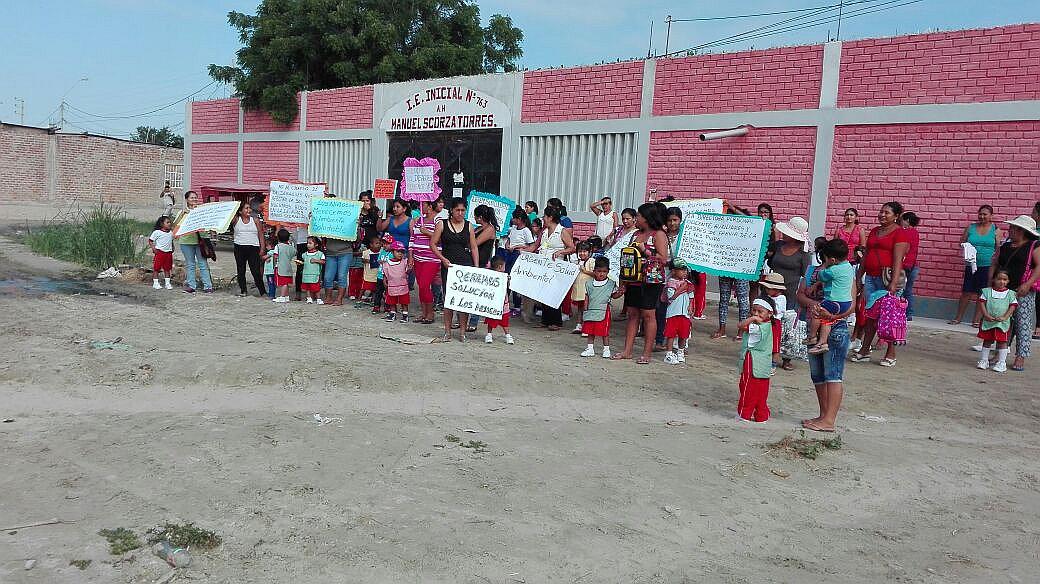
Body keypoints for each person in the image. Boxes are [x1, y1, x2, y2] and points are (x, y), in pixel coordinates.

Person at [850, 201, 910, 367]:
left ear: (896, 216)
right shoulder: (875, 231)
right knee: (870, 315)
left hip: (888, 278)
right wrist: (859, 276)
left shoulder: (900, 234)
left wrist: (893, 283)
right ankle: (865, 349)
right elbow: (866, 254)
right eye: (881, 212)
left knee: (888, 316)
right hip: (871, 277)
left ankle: (891, 352)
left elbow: (898, 260)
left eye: (887, 213)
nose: (882, 215)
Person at [613, 203, 669, 364]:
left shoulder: (658, 234)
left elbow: (663, 258)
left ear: (647, 218)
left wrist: (646, 251)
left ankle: (646, 353)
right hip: (633, 280)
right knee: (632, 314)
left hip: (651, 281)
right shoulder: (635, 234)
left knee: (648, 315)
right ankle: (627, 351)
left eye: (639, 216)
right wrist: (622, 283)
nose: (636, 218)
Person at [992, 214, 1040, 372]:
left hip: (1022, 291)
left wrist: (1028, 283)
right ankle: (1001, 353)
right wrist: (990, 282)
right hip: (1004, 290)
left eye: (1013, 228)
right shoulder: (1006, 245)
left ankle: (1021, 356)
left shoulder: (1034, 246)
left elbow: (1039, 266)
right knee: (1004, 323)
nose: (1010, 230)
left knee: (1022, 323)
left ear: (1021, 231)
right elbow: (995, 263)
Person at [802, 294, 855, 433]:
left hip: (836, 327)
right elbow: (800, 295)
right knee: (817, 375)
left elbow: (851, 306)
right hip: (814, 328)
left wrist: (832, 315)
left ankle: (829, 420)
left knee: (833, 375)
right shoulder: (814, 272)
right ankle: (823, 415)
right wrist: (815, 305)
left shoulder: (846, 276)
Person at [431, 197, 479, 341]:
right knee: (448, 299)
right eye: (457, 210)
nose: (460, 213)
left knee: (463, 300)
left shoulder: (469, 226)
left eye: (463, 210)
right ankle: (447, 331)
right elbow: (433, 244)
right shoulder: (442, 224)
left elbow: (474, 246)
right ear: (451, 210)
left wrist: (476, 267)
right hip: (448, 265)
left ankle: (463, 332)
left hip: (465, 265)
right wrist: (442, 259)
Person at [950, 205, 1002, 326]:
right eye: (980, 214)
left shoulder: (996, 230)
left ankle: (976, 320)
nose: (982, 216)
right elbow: (961, 242)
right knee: (966, 292)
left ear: (991, 216)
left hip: (987, 265)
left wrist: (996, 263)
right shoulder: (971, 227)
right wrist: (967, 247)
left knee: (982, 293)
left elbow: (998, 248)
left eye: (985, 214)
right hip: (971, 265)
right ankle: (958, 318)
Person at [807, 239, 855, 355]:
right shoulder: (848, 266)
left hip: (834, 300)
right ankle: (822, 343)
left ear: (832, 260)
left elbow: (821, 275)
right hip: (845, 303)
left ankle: (813, 337)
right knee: (826, 320)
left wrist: (824, 268)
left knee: (817, 312)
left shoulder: (832, 270)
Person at [537, 207, 576, 331]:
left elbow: (572, 247)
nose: (543, 219)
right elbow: (537, 245)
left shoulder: (562, 231)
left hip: (556, 267)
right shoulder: (544, 232)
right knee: (543, 292)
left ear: (550, 218)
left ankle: (556, 321)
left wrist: (561, 251)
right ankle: (546, 319)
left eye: (545, 216)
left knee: (553, 293)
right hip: (544, 265)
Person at [736, 299, 775, 423]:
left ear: (769, 313)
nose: (756, 314)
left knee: (747, 386)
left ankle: (745, 413)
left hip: (752, 359)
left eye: (760, 311)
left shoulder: (758, 326)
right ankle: (761, 415)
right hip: (764, 362)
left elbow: (741, 326)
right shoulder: (770, 325)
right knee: (761, 389)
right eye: (754, 310)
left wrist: (752, 319)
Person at [976, 270, 1018, 373]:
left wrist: (1005, 317)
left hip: (1002, 323)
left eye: (1005, 279)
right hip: (988, 321)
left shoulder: (1011, 294)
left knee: (1002, 342)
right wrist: (985, 315)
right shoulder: (987, 292)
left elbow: (1012, 307)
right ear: (994, 279)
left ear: (1008, 281)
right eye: (999, 279)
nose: (1002, 282)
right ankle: (984, 360)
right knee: (987, 340)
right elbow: (982, 303)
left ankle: (1001, 363)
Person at [581, 256, 623, 358]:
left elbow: (614, 296)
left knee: (604, 332)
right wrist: (585, 309)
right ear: (594, 271)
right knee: (590, 331)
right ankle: (590, 349)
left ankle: (606, 349)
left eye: (604, 271)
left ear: (608, 271)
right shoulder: (589, 284)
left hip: (604, 311)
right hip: (591, 310)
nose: (601, 274)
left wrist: (620, 293)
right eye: (599, 271)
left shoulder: (611, 284)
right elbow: (587, 297)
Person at [654, 207, 683, 350]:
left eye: (675, 220)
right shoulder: (662, 235)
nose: (672, 223)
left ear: (680, 220)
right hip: (663, 275)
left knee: (678, 310)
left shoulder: (685, 237)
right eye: (670, 220)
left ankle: (678, 342)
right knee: (661, 309)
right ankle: (659, 339)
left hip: (680, 278)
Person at [769, 216, 811, 312]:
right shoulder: (779, 246)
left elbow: (806, 275)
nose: (783, 234)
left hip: (790, 293)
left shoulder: (803, 253)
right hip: (771, 289)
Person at [175, 191, 214, 294]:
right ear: (187, 199)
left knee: (203, 263)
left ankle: (208, 286)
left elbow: (207, 223)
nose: (194, 199)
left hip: (200, 241)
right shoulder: (182, 212)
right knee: (190, 264)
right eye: (192, 198)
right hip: (186, 241)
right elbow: (176, 226)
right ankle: (191, 285)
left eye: (195, 197)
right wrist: (183, 215)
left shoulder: (202, 211)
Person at [410, 199, 442, 325]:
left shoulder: (438, 220)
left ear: (430, 206)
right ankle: (424, 313)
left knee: (424, 285)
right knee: (421, 287)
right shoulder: (419, 220)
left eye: (423, 204)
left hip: (432, 258)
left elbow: (440, 238)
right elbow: (413, 238)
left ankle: (430, 313)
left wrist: (427, 232)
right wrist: (411, 256)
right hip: (418, 258)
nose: (420, 206)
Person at [231, 202, 267, 298]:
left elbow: (261, 234)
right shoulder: (236, 220)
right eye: (246, 208)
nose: (249, 210)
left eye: (249, 208)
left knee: (255, 271)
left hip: (253, 248)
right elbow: (227, 217)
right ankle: (243, 290)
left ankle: (262, 291)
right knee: (241, 270)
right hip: (239, 247)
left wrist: (262, 248)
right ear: (240, 211)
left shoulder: (255, 220)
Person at [662, 259, 694, 365]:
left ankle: (680, 352)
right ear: (674, 271)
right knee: (671, 334)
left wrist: (690, 306)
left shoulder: (688, 283)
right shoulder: (670, 283)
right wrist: (681, 288)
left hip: (684, 313)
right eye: (681, 270)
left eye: (685, 270)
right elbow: (671, 297)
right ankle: (669, 354)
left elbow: (691, 296)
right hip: (673, 313)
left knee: (683, 334)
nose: (684, 272)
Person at [758, 272, 788, 372]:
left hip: (775, 323)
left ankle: (773, 364)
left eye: (768, 288)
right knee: (764, 342)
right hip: (765, 322)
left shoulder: (781, 298)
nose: (766, 290)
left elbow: (778, 311)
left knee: (775, 344)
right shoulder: (767, 297)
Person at [484, 256, 514, 345]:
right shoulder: (491, 276)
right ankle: (489, 334)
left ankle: (507, 335)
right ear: (500, 266)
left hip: (502, 303)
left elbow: (509, 286)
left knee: (504, 320)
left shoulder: (505, 276)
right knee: (492, 318)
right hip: (493, 302)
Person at [899, 212, 921, 320]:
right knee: (908, 290)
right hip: (913, 265)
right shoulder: (915, 233)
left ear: (907, 220)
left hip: (905, 264)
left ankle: (900, 311)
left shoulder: (904, 232)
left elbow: (905, 249)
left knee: (900, 290)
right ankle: (909, 313)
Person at [381, 240, 410, 322]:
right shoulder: (386, 263)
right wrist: (384, 281)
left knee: (404, 301)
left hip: (403, 286)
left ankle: (405, 315)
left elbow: (407, 271)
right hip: (392, 285)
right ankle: (392, 313)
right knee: (392, 301)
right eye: (398, 251)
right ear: (392, 252)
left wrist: (410, 268)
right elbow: (385, 274)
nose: (400, 253)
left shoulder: (404, 262)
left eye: (402, 252)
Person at [570, 242, 596, 334]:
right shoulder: (577, 262)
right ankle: (579, 324)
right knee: (580, 307)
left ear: (589, 252)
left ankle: (586, 327)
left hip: (587, 289)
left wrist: (585, 271)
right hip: (578, 288)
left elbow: (595, 274)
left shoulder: (591, 261)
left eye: (585, 251)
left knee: (586, 308)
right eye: (580, 251)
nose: (582, 253)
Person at [322, 235, 353, 306]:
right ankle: (328, 298)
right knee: (327, 277)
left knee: (342, 276)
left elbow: (356, 238)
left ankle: (339, 299)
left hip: (345, 252)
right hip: (330, 252)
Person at [148, 216, 174, 290]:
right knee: (157, 268)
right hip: (160, 252)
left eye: (170, 222)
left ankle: (167, 283)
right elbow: (150, 241)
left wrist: (172, 247)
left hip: (168, 253)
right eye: (167, 222)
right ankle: (155, 283)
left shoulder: (171, 233)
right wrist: (153, 248)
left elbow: (171, 241)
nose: (169, 224)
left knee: (167, 268)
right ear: (162, 224)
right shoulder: (157, 232)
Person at [272, 228, 297, 303]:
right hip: (288, 267)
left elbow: (275, 256)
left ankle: (282, 296)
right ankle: (286, 296)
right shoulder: (290, 247)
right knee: (286, 281)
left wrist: (274, 264)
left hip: (280, 266)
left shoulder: (278, 246)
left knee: (283, 283)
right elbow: (295, 252)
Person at [300, 236, 325, 304]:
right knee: (307, 287)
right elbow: (304, 262)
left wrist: (316, 260)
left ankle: (318, 298)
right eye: (307, 243)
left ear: (316, 244)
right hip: (306, 274)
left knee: (316, 287)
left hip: (315, 274)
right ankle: (309, 298)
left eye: (310, 243)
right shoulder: (304, 254)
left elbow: (323, 262)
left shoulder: (320, 254)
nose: (308, 245)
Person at [360, 235, 381, 304]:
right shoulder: (366, 252)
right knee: (364, 287)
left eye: (380, 243)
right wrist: (368, 261)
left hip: (377, 274)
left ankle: (373, 300)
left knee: (375, 289)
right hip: (368, 274)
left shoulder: (381, 252)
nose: (379, 245)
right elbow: (362, 260)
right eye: (377, 243)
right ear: (371, 245)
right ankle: (359, 299)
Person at [261, 235, 277, 300]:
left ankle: (271, 295)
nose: (266, 247)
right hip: (271, 271)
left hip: (270, 272)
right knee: (272, 283)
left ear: (272, 246)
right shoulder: (273, 252)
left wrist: (262, 256)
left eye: (267, 245)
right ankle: (271, 293)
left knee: (271, 283)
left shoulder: (271, 252)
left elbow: (264, 257)